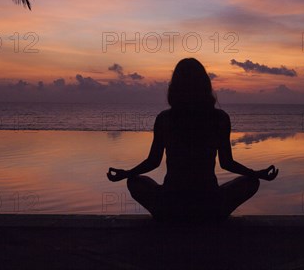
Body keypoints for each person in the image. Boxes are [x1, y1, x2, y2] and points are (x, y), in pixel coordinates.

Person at [107, 58, 278, 222]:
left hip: (171, 204)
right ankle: (210, 219)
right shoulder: (219, 118)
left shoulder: (165, 119)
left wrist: (126, 174)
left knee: (135, 182)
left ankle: (168, 218)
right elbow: (227, 163)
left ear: (174, 88)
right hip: (210, 205)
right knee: (250, 182)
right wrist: (256, 174)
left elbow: (153, 162)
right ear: (205, 86)